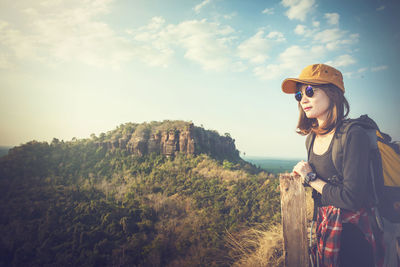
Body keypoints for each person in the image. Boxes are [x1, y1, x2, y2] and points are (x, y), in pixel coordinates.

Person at [282, 64, 384, 267]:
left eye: (310, 91)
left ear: (332, 93)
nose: (303, 99)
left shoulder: (352, 135)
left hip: (353, 238)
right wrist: (303, 176)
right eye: (299, 94)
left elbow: (351, 198)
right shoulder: (311, 138)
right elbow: (323, 182)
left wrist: (311, 178)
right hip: (325, 229)